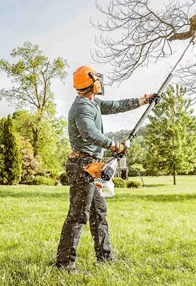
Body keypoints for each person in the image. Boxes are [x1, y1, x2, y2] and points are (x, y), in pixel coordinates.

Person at [56, 65, 158, 273]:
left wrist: (144, 100)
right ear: (92, 83)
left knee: (99, 212)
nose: (100, 82)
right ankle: (65, 264)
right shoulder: (82, 108)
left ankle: (105, 256)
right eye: (97, 79)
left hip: (91, 165)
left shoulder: (93, 103)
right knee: (78, 215)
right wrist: (114, 146)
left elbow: (118, 105)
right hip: (83, 166)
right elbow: (90, 133)